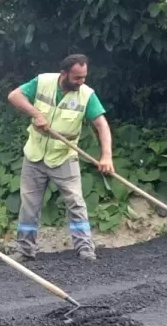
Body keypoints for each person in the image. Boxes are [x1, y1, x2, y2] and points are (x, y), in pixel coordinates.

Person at [6, 54, 113, 262]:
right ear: (64, 73)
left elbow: (102, 125)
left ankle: (85, 249)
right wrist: (35, 113)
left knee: (76, 202)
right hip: (35, 155)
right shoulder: (43, 82)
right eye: (77, 78)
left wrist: (106, 156)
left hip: (64, 157)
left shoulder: (86, 95)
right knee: (29, 205)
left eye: (84, 77)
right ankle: (25, 250)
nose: (81, 82)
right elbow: (14, 96)